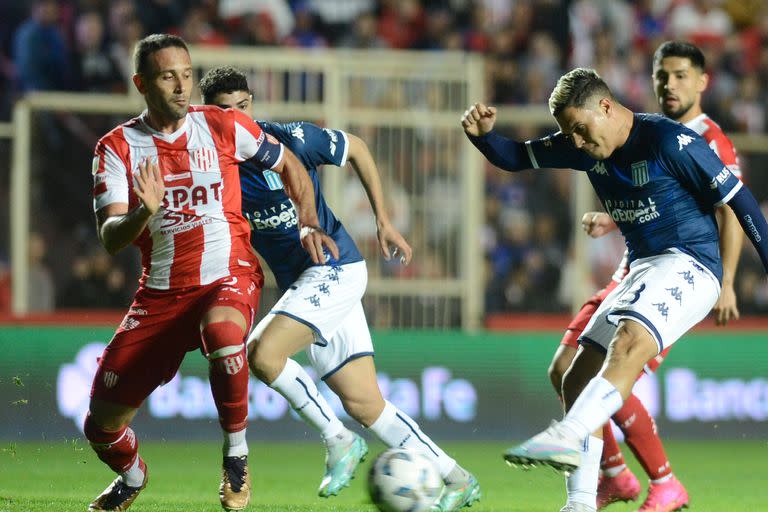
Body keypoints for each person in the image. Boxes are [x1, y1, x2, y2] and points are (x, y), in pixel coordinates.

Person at [461, 68, 768, 512]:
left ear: (605, 106)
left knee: (629, 343)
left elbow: (739, 201)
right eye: (571, 134)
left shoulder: (667, 141)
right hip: (642, 267)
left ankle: (566, 437)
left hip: (690, 264)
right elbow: (514, 156)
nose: (578, 143)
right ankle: (581, 503)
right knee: (575, 377)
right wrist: (484, 137)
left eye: (581, 130)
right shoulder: (580, 143)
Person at [198, 65, 481, 512]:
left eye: (243, 107)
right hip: (311, 285)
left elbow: (359, 149)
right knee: (366, 403)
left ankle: (338, 440)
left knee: (262, 354)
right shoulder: (210, 171)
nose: (237, 118)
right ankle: (457, 477)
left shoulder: (288, 139)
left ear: (252, 105)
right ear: (208, 115)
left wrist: (383, 220)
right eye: (223, 112)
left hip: (335, 269)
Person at [86, 34, 337, 512]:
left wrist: (308, 221)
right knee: (100, 426)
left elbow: (291, 166)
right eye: (168, 76)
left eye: (187, 75)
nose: (182, 87)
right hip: (160, 295)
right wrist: (145, 212)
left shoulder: (223, 126)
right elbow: (111, 236)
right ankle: (133, 476)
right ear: (141, 83)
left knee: (224, 334)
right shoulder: (115, 148)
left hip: (229, 272)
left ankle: (236, 458)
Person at [547, 41, 743, 511]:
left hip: (674, 268)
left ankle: (663, 481)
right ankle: (614, 474)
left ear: (701, 82)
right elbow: (655, 196)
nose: (669, 85)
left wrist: (730, 280)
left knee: (617, 370)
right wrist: (613, 219)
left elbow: (729, 210)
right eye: (662, 76)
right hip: (632, 266)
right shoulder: (639, 133)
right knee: (564, 371)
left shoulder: (703, 137)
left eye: (679, 76)